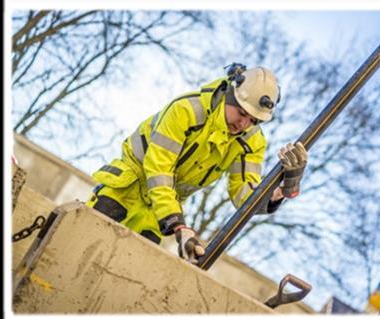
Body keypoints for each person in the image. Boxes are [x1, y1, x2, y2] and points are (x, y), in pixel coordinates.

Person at [86, 63, 308, 264]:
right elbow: (159, 169)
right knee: (80, 245)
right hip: (126, 189)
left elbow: (244, 196)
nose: (244, 124)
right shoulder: (187, 110)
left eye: (254, 120)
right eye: (241, 113)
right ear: (230, 95)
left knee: (120, 271)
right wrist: (178, 225)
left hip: (158, 213)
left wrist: (281, 190)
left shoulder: (252, 142)